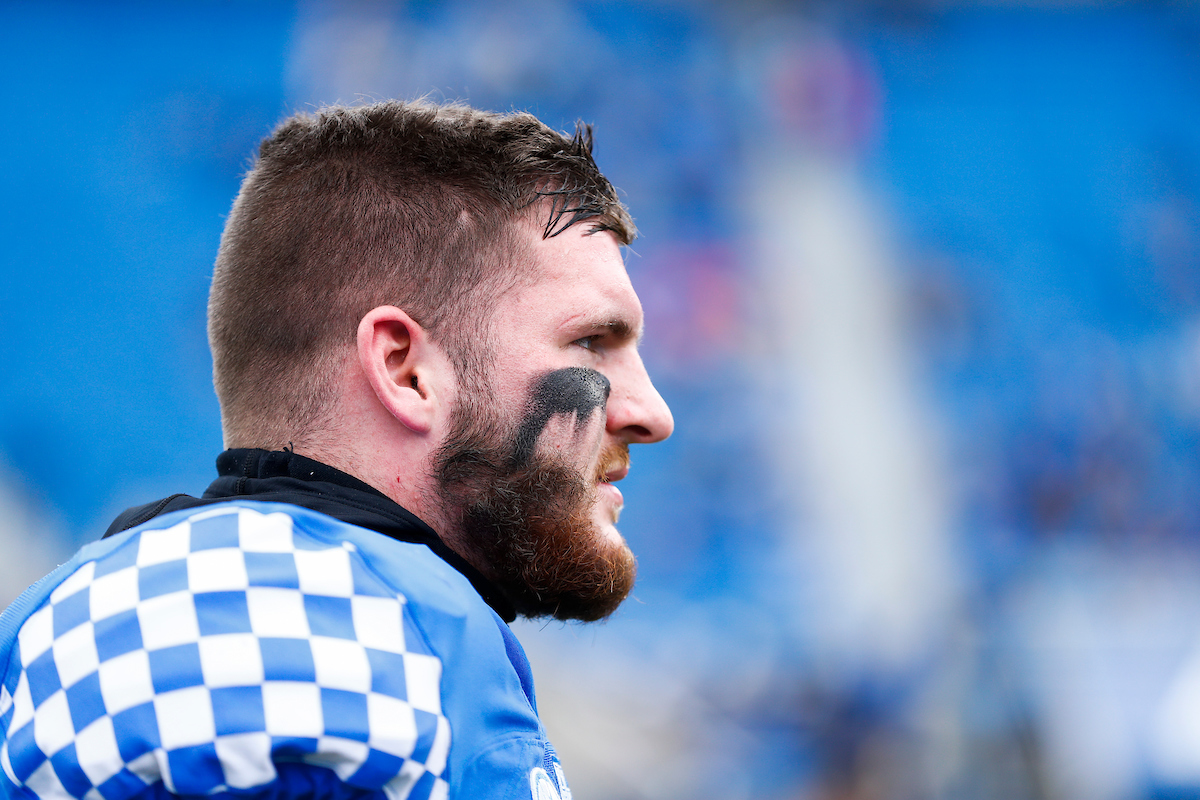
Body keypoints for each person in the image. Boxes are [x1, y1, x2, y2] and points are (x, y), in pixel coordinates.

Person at [0, 101, 673, 800]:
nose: (652, 413)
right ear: (405, 369)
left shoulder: (37, 633)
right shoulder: (408, 641)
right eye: (592, 341)